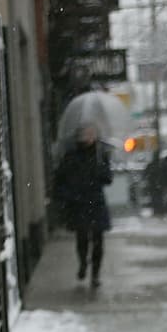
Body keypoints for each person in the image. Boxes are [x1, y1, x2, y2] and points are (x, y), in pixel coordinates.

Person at [53, 123, 113, 287]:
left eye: (90, 133)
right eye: (84, 133)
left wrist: (101, 169)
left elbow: (108, 179)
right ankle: (83, 264)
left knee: (98, 240)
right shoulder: (71, 155)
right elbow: (61, 178)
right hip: (79, 202)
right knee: (82, 239)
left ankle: (95, 274)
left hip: (96, 202)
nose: (87, 136)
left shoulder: (101, 154)